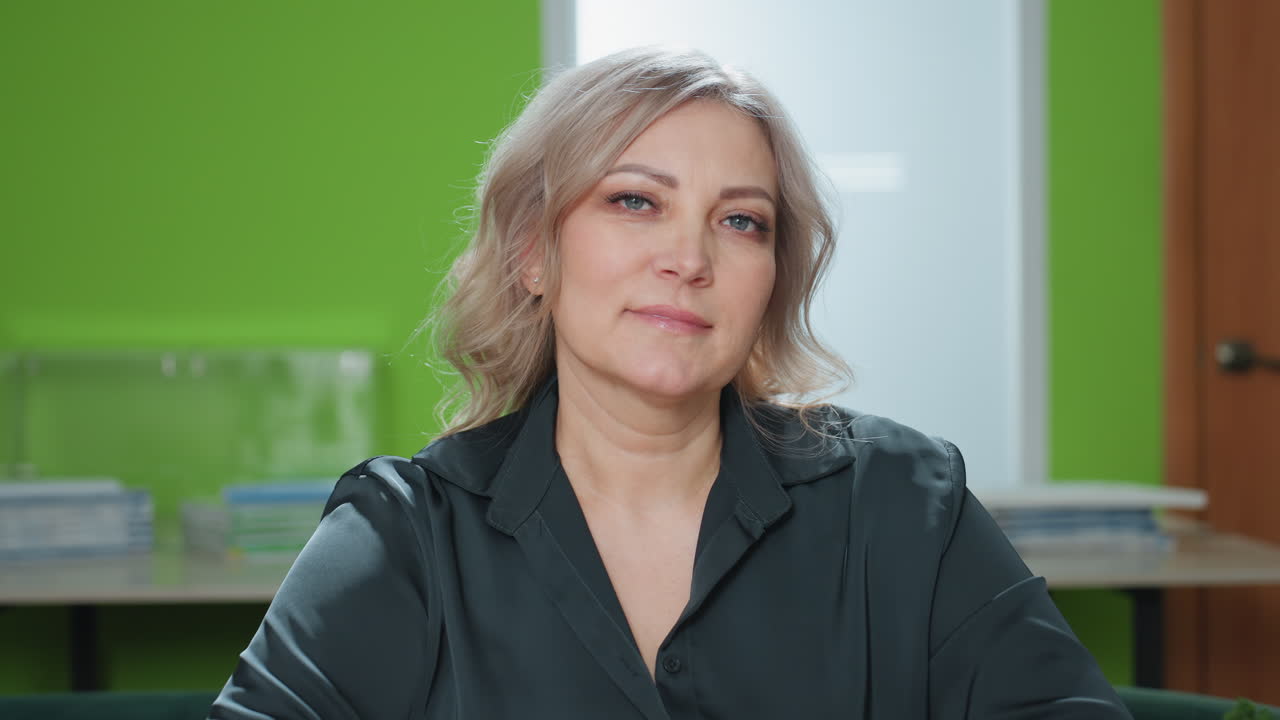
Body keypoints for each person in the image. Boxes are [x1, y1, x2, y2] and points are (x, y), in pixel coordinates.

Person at [209, 46, 1132, 719]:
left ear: (772, 280)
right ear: (534, 252)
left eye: (741, 222)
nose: (688, 257)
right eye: (635, 201)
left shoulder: (904, 505)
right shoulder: (401, 536)